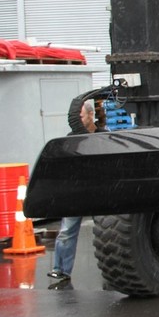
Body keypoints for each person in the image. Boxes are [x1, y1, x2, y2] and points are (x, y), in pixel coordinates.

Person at [48, 99, 98, 285]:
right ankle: (60, 270)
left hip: (100, 192)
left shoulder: (103, 135)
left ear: (91, 115)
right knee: (66, 232)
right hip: (77, 192)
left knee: (108, 234)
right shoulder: (71, 137)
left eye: (81, 115)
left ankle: (116, 273)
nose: (78, 119)